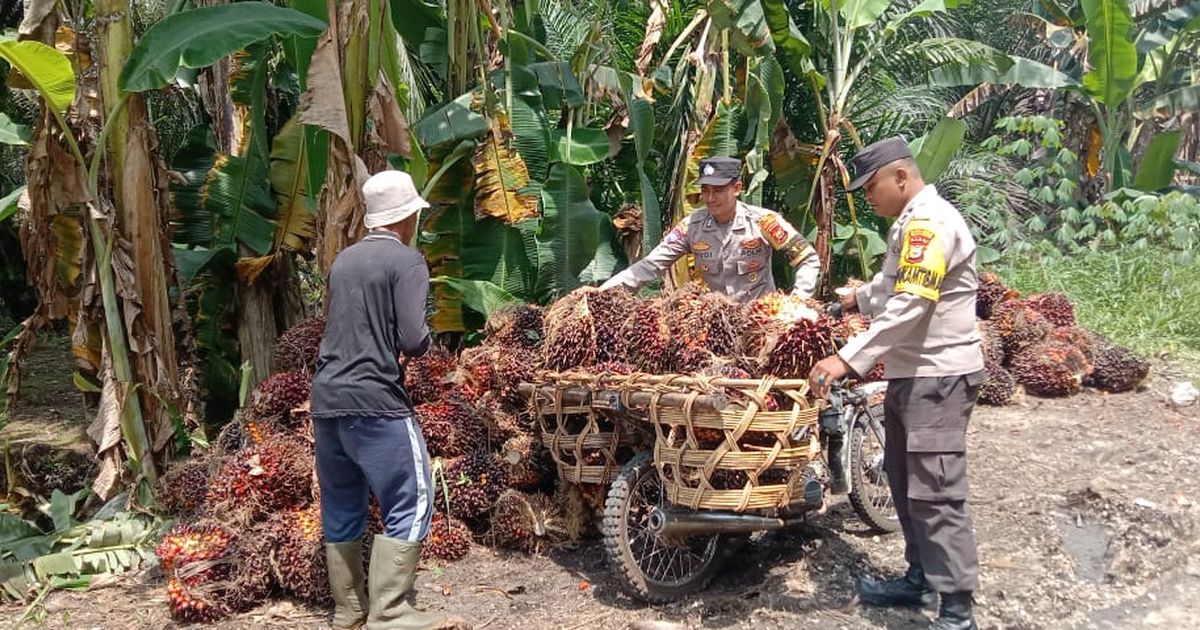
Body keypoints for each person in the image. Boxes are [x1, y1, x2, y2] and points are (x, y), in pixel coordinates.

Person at [806, 137, 985, 630]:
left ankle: (956, 609)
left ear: (901, 177)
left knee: (936, 490)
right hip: (914, 373)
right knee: (905, 482)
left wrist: (848, 358)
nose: (868, 198)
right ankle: (919, 577)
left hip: (939, 376)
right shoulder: (909, 223)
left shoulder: (931, 223)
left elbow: (911, 305)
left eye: (872, 187)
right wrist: (852, 302)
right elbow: (891, 287)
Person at [311, 170, 466, 630]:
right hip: (375, 398)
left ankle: (349, 610)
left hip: (326, 400)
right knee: (412, 496)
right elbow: (414, 339)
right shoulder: (407, 262)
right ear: (407, 218)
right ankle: (392, 612)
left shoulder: (343, 261)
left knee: (342, 502)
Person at [600, 156, 819, 301]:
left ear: (737, 188)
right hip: (716, 326)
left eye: (718, 190)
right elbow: (649, 266)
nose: (711, 199)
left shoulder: (764, 222)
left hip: (760, 322)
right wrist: (601, 294)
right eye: (705, 191)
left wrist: (797, 303)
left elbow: (808, 259)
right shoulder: (691, 228)